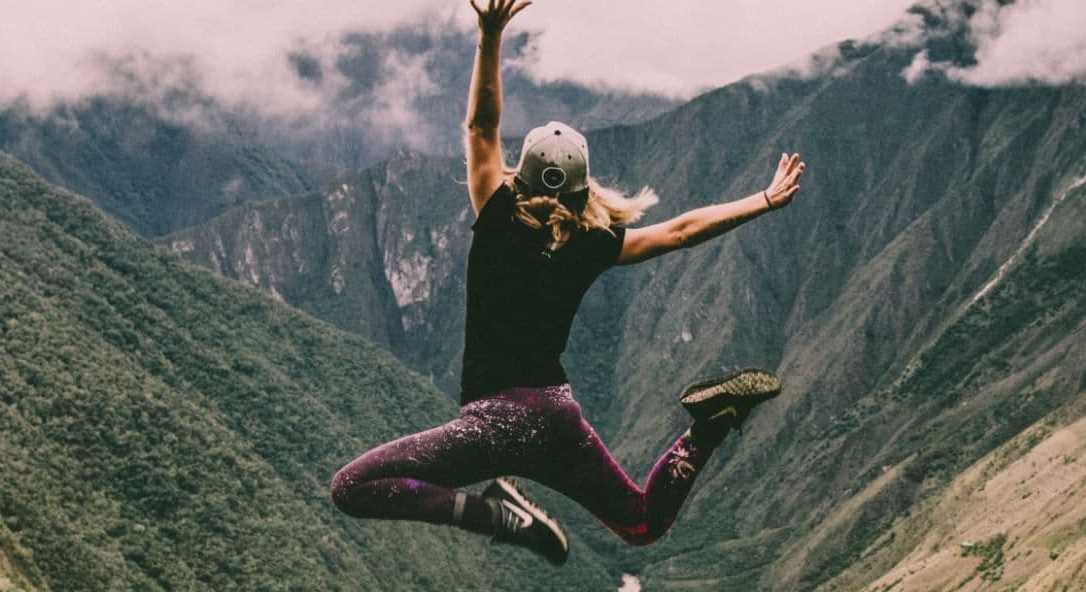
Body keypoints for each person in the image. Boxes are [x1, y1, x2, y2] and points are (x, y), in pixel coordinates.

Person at [329, 0, 807, 565]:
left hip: (494, 424)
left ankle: (495, 514)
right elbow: (680, 231)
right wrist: (764, 200)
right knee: (641, 522)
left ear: (520, 175)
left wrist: (490, 34)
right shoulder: (595, 243)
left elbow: (481, 125)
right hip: (557, 419)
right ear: (584, 190)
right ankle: (708, 427)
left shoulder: (498, 212)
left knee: (351, 488)